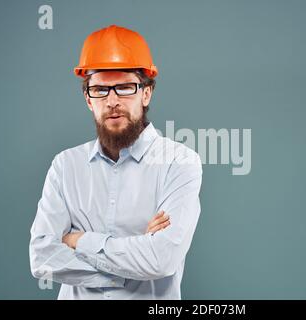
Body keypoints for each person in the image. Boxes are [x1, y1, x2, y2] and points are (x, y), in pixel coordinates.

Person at [29, 25, 203, 300]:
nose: (111, 101)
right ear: (88, 99)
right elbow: (42, 258)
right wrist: (133, 261)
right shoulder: (65, 166)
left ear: (146, 93)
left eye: (124, 87)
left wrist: (78, 241)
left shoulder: (179, 163)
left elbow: (161, 260)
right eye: (99, 90)